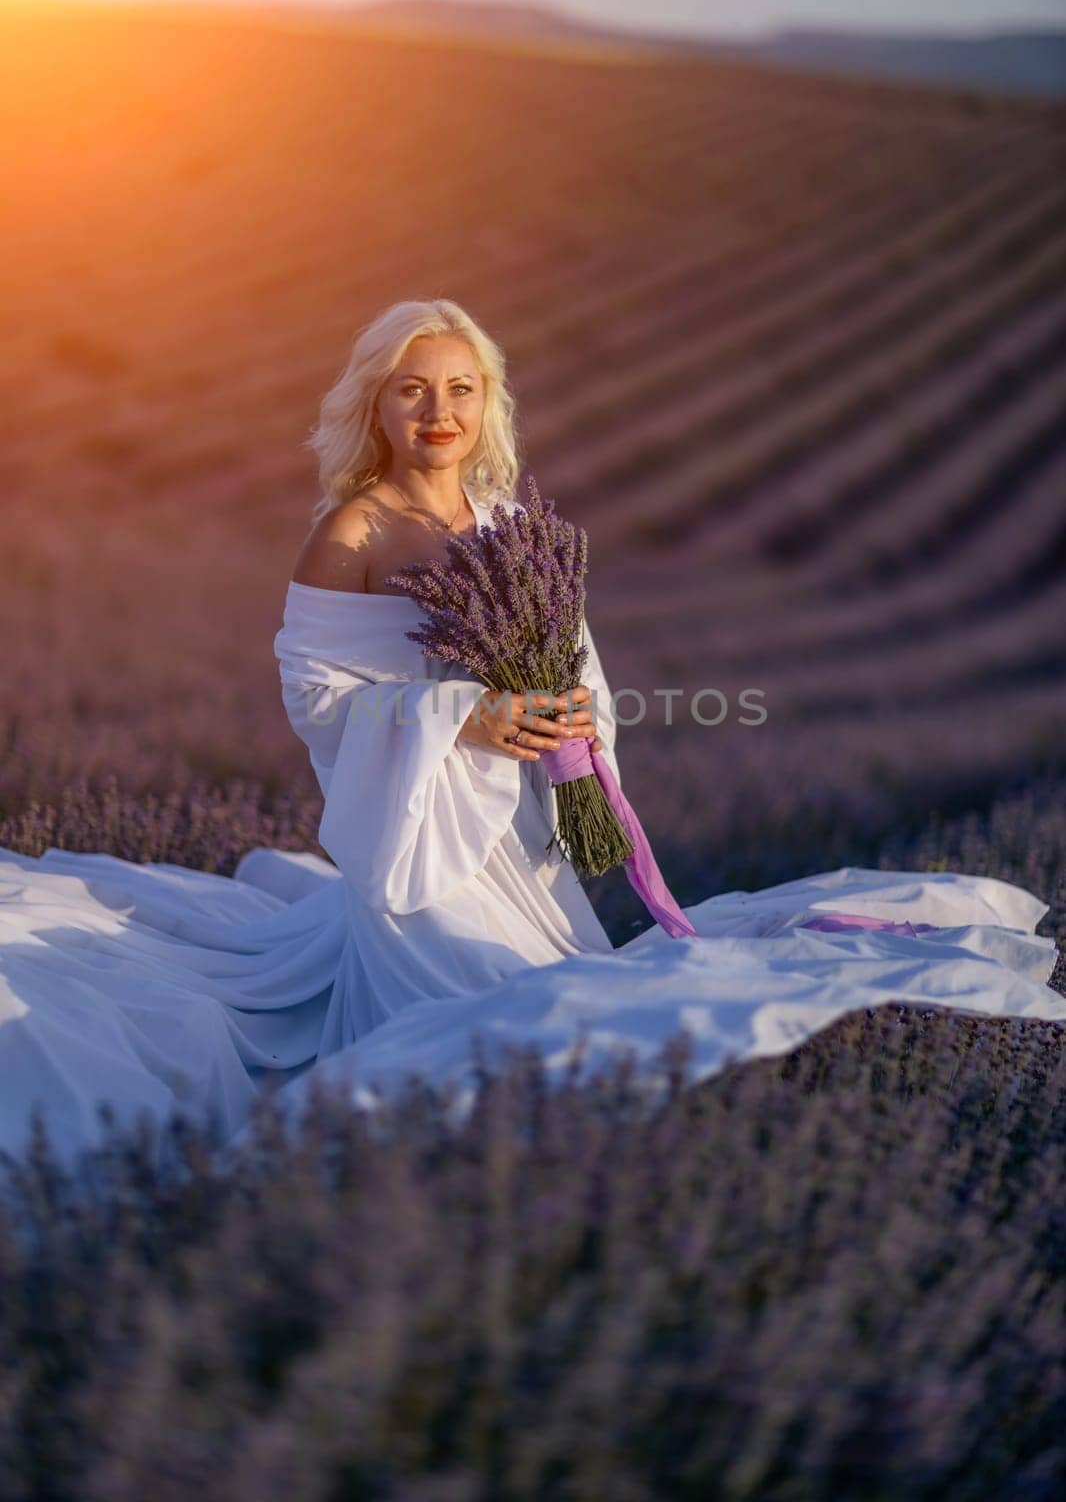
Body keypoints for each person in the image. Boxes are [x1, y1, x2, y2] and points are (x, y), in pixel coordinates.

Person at [1, 298, 1063, 1171]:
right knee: (483, 1025)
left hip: (521, 825)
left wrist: (571, 721)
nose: (438, 410)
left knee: (556, 999)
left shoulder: (513, 525)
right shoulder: (353, 529)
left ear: (487, 403)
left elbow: (578, 660)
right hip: (422, 843)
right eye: (413, 388)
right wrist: (467, 717)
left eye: (460, 388)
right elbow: (317, 698)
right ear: (376, 401)